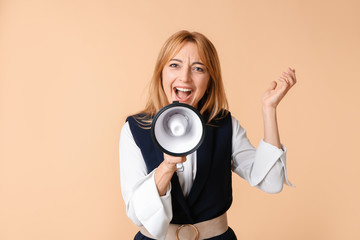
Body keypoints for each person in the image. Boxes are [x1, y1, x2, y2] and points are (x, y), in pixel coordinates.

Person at [119, 30, 296, 240]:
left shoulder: (224, 125)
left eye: (198, 68)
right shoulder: (135, 129)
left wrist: (269, 109)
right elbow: (137, 214)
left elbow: (272, 181)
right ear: (161, 72)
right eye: (174, 65)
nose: (185, 77)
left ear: (210, 79)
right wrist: (166, 168)